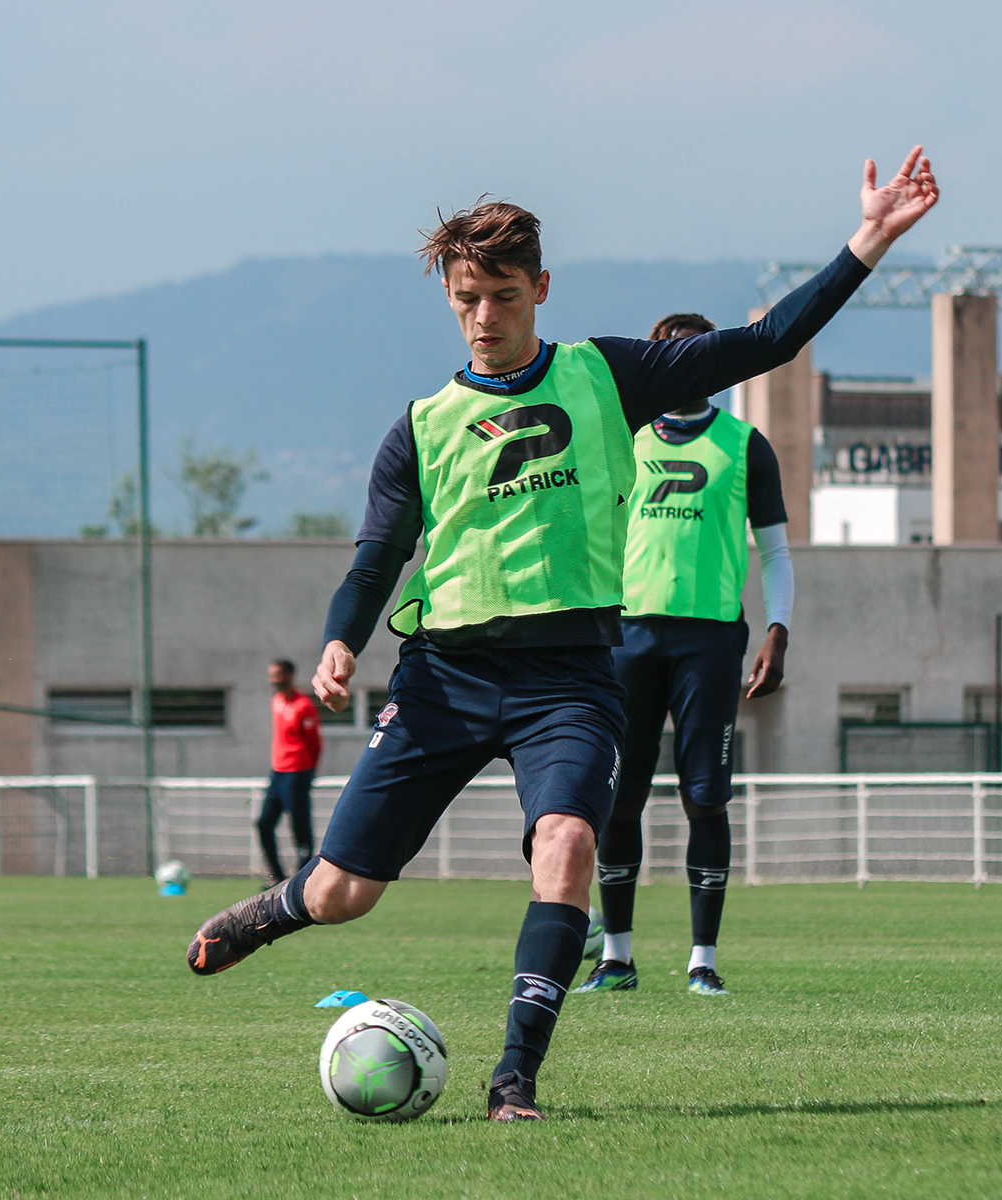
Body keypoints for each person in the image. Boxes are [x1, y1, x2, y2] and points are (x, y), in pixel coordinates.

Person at [186, 149, 938, 1122]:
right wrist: (340, 641)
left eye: (502, 294)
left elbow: (764, 342)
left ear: (540, 288)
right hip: (442, 678)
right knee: (343, 896)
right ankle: (269, 910)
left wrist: (866, 241)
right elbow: (375, 561)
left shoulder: (606, 376)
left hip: (568, 680)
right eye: (466, 299)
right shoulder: (419, 428)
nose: (485, 317)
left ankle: (514, 1082)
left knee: (570, 841)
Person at [573, 313, 792, 1000]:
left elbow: (776, 550)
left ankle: (702, 961)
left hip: (709, 640)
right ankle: (617, 958)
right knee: (618, 800)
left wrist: (778, 628)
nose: (679, 367)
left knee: (705, 800)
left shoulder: (745, 445)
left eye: (695, 355)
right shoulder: (623, 439)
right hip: (628, 637)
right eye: (668, 356)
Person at [257, 658, 320, 882]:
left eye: (277, 675)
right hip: (278, 772)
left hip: (298, 771)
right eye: (271, 675)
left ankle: (301, 880)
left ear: (289, 675)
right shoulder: (276, 701)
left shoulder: (303, 705)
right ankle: (276, 876)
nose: (273, 680)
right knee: (263, 824)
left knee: (299, 828)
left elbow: (314, 742)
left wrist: (309, 772)